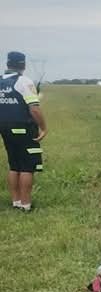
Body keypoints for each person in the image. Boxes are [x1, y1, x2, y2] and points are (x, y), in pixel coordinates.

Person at [1, 51, 47, 212]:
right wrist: (43, 127)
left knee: (14, 164)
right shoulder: (23, 81)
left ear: (7, 64)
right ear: (23, 65)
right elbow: (34, 109)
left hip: (4, 127)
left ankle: (16, 201)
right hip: (23, 127)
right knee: (27, 166)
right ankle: (26, 205)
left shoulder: (1, 81)